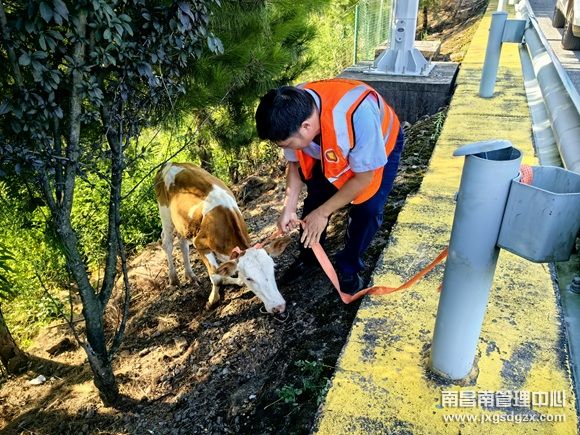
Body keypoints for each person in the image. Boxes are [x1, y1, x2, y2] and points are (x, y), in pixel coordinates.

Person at [255, 78, 404, 295]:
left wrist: (324, 213)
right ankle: (309, 258)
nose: (285, 148)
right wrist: (289, 207)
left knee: (368, 210)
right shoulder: (291, 112)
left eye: (287, 144)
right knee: (317, 195)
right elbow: (294, 165)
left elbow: (363, 179)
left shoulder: (357, 115)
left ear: (306, 127)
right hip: (333, 149)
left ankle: (349, 266)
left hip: (379, 146)